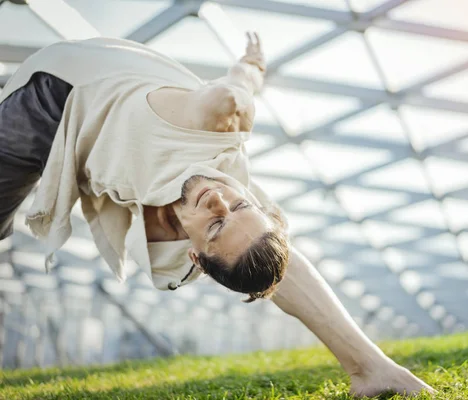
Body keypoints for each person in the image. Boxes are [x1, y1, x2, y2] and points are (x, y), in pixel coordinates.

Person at [0, 33, 434, 397]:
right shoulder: (216, 128)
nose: (219, 201)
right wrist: (251, 68)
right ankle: (369, 365)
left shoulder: (181, 238)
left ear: (195, 257)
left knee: (257, 253)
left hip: (114, 118)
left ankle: (368, 368)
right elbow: (234, 91)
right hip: (56, 93)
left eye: (217, 224)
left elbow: (257, 255)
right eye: (241, 205)